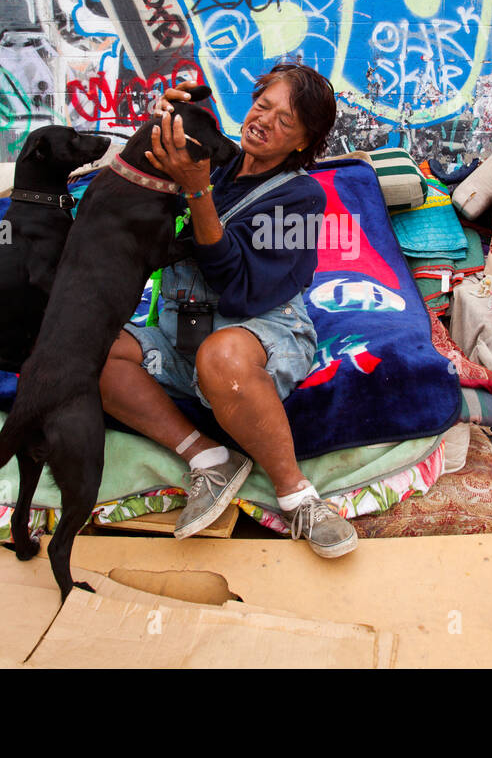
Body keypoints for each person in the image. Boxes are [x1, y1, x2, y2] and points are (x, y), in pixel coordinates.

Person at [98, 63, 357, 557]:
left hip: (259, 331)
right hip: (181, 330)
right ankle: (209, 457)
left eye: (285, 121)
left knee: (220, 359)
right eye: (263, 106)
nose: (265, 121)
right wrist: (161, 135)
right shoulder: (212, 162)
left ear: (303, 142)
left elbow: (238, 288)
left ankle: (298, 497)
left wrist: (197, 191)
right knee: (89, 349)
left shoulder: (302, 197)